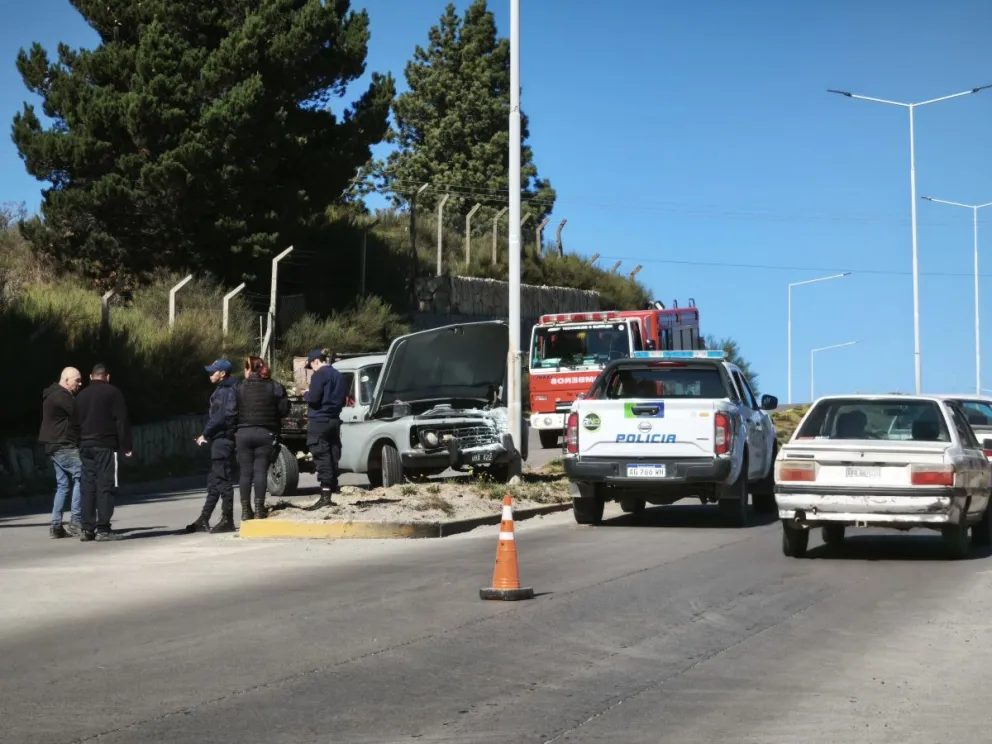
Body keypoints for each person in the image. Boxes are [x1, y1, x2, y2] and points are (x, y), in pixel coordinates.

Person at [73, 363, 132, 542]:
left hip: (86, 445)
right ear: (107, 377)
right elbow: (121, 421)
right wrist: (126, 445)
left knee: (87, 485)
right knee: (105, 484)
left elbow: (74, 423)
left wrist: (78, 442)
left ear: (91, 377)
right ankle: (103, 528)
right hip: (105, 444)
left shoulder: (81, 395)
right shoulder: (113, 392)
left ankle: (87, 528)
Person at [186, 359, 239, 534]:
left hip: (222, 440)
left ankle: (228, 519)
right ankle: (204, 518)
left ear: (222, 374)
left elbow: (218, 418)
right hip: (222, 439)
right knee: (214, 482)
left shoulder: (224, 392)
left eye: (213, 372)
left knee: (222, 480)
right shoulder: (227, 389)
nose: (210, 375)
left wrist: (205, 434)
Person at [234, 356, 290, 519]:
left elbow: (232, 412)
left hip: (243, 433)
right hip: (266, 433)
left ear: (248, 369)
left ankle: (245, 511)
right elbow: (284, 409)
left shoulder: (239, 388)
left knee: (245, 473)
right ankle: (259, 509)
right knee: (260, 472)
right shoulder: (275, 386)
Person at [38, 367, 84, 538]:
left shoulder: (53, 394)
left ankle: (56, 526)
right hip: (62, 445)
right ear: (66, 380)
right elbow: (80, 415)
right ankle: (76, 521)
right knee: (83, 475)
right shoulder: (62, 396)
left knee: (63, 485)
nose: (80, 383)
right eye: (77, 380)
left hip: (53, 445)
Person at [303, 348, 348, 511]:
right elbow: (344, 399)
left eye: (311, 366)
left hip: (319, 419)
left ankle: (325, 496)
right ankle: (332, 488)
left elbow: (314, 398)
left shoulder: (319, 375)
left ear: (316, 361)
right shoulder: (339, 375)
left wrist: (306, 394)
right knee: (333, 454)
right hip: (334, 419)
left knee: (322, 455)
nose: (311, 370)